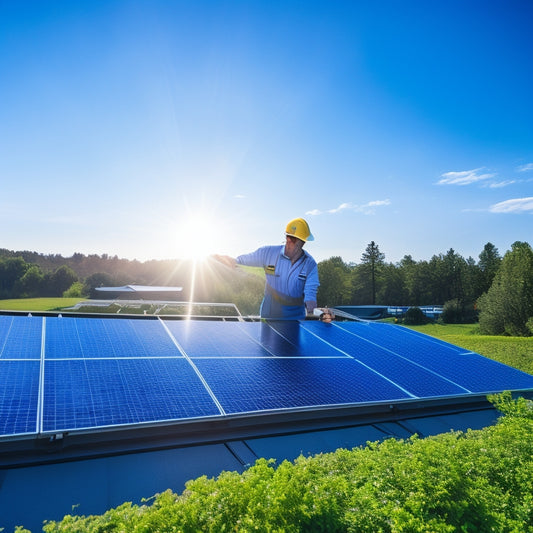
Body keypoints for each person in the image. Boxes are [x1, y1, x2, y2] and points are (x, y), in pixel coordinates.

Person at [215, 218, 322, 320]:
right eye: (287, 237)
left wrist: (314, 312)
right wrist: (232, 261)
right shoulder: (268, 253)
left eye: (293, 239)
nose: (288, 241)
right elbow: (247, 259)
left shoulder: (310, 264)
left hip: (296, 318)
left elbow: (311, 292)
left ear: (303, 242)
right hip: (270, 314)